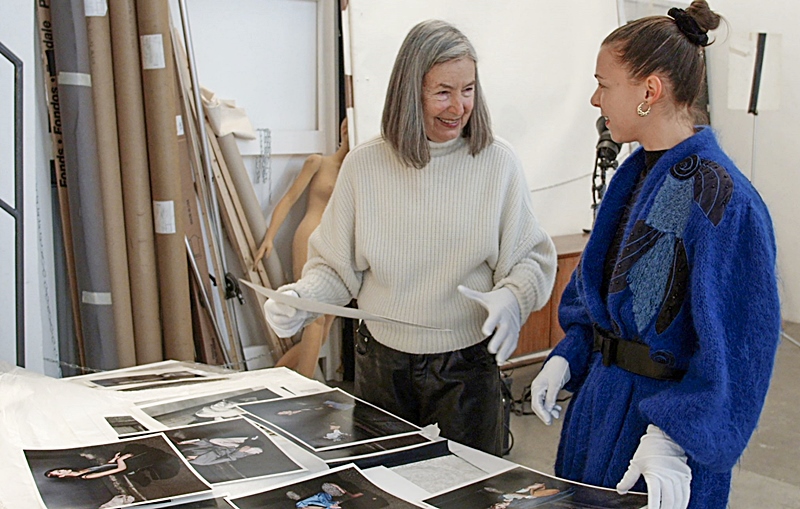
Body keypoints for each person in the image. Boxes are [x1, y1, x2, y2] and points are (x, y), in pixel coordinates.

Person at [263, 19, 557, 455]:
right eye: (443, 92)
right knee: (384, 482)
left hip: (467, 369)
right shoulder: (364, 166)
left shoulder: (499, 162)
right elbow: (335, 270)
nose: (458, 106)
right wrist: (301, 299)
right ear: (408, 91)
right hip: (382, 367)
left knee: (469, 485)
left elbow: (530, 259)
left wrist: (515, 297)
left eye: (468, 89)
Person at [528, 2, 781, 508]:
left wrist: (674, 437)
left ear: (649, 91)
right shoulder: (634, 177)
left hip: (657, 441)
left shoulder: (722, 199)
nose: (595, 99)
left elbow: (741, 348)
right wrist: (569, 355)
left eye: (604, 84)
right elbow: (595, 299)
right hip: (600, 412)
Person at [254, 118, 350, 378]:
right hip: (309, 238)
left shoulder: (359, 172)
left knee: (323, 329)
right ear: (343, 130)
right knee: (313, 316)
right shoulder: (318, 162)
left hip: (336, 244)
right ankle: (305, 387)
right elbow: (289, 199)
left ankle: (272, 377)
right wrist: (269, 237)